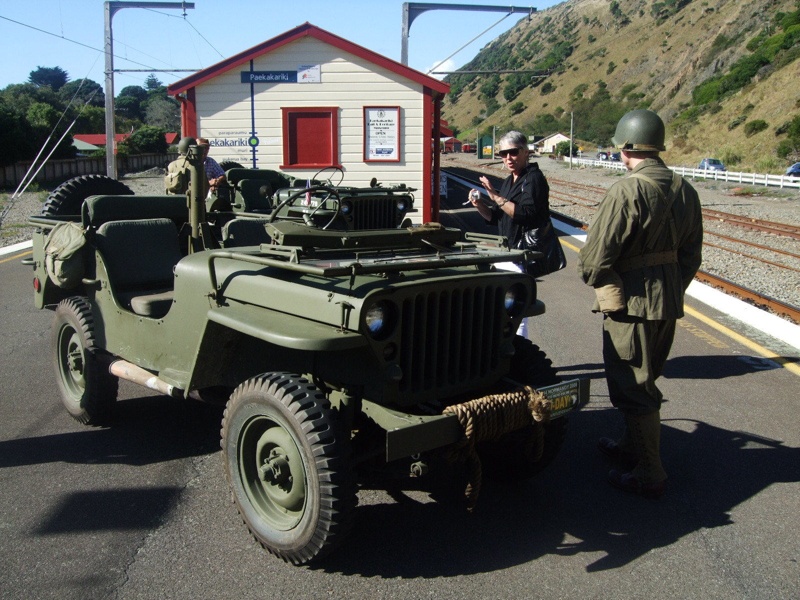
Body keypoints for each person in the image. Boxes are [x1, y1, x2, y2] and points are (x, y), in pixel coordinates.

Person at [577, 109, 703, 499]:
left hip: (630, 303)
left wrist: (600, 282)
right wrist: (670, 287)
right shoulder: (686, 189)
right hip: (667, 300)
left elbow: (594, 260)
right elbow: (691, 255)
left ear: (626, 147)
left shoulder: (626, 190)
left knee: (632, 384)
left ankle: (650, 471)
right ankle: (633, 446)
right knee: (646, 378)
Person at [468, 131, 552, 337]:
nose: (508, 158)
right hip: (506, 252)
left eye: (513, 152)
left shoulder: (533, 179)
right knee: (502, 309)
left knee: (516, 313)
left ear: (525, 152)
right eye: (503, 153)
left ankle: (518, 356)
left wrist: (494, 195)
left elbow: (524, 214)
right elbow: (494, 218)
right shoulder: (509, 181)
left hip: (521, 255)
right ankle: (507, 351)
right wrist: (479, 203)